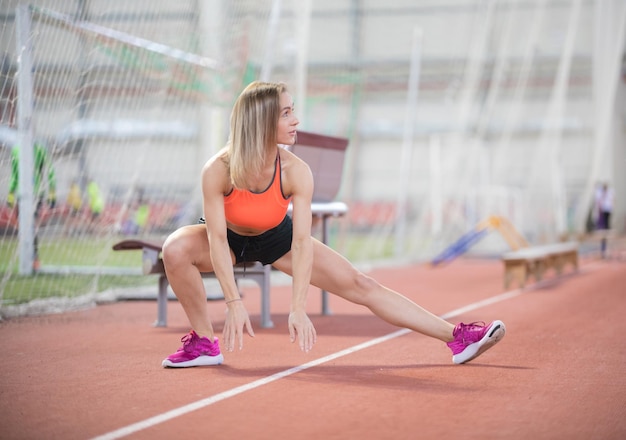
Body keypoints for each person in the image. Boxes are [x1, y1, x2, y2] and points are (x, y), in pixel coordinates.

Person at [161, 81, 506, 368]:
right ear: (261, 122)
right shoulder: (218, 169)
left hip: (276, 237)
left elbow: (300, 243)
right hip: (227, 236)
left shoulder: (296, 171)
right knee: (174, 249)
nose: (296, 120)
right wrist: (234, 302)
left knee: (361, 283)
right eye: (286, 113)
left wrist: (298, 308)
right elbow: (218, 240)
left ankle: (458, 338)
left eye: (293, 110)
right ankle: (205, 342)